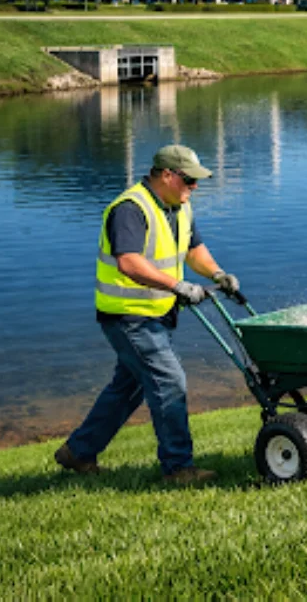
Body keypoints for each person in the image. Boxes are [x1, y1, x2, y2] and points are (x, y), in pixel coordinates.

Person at [54, 145, 240, 485]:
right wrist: (178, 286)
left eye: (196, 181)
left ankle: (78, 452)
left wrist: (217, 275)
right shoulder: (130, 209)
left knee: (129, 387)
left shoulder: (179, 206)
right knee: (169, 382)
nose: (194, 188)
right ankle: (178, 468)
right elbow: (129, 262)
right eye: (189, 180)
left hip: (158, 314)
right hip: (127, 316)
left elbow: (194, 251)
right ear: (167, 175)